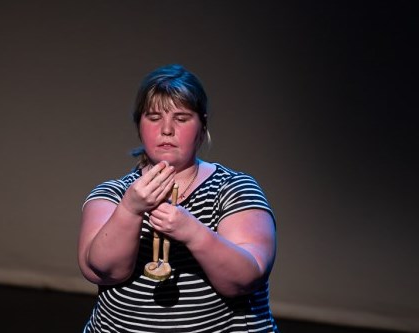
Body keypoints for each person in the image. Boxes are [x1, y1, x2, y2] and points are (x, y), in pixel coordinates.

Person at [78, 64, 279, 332]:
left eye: (182, 118)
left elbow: (244, 279)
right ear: (139, 125)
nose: (167, 130)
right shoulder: (113, 194)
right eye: (153, 117)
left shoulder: (234, 189)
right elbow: (102, 270)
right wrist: (130, 210)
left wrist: (192, 232)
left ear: (202, 125)